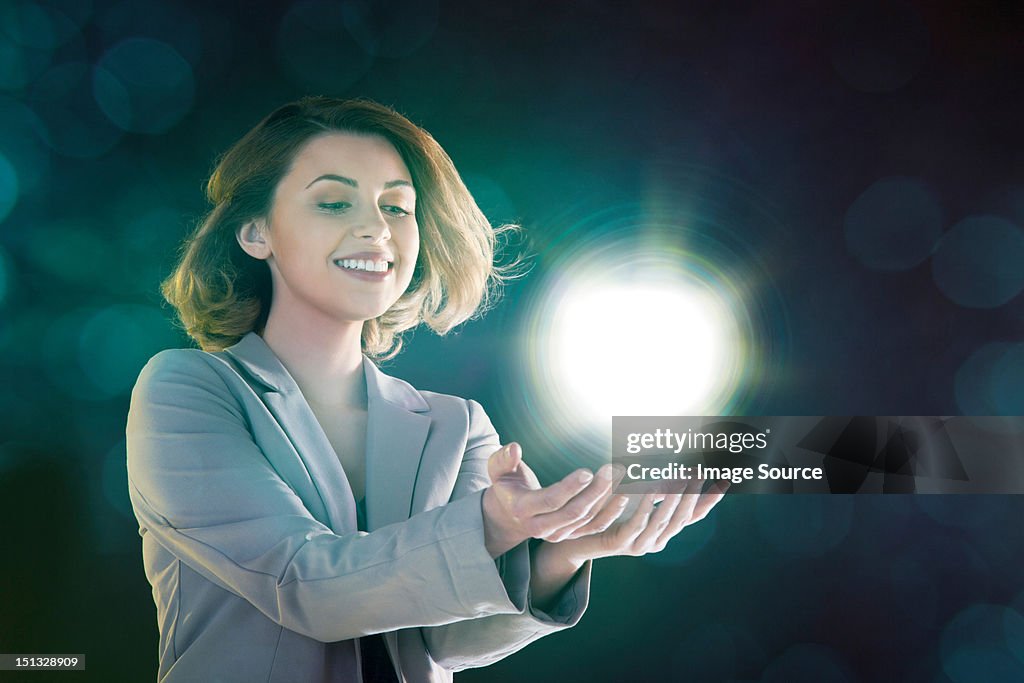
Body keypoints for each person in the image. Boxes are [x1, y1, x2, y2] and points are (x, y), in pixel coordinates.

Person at [126, 96, 728, 682]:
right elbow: (303, 585)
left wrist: (563, 552)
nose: (375, 229)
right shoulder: (188, 389)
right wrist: (492, 525)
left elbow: (444, 636)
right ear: (256, 232)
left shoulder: (457, 424)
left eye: (398, 207)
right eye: (334, 203)